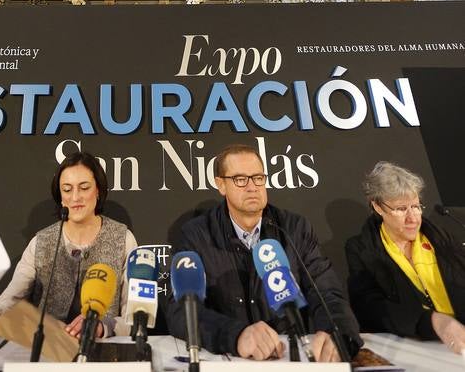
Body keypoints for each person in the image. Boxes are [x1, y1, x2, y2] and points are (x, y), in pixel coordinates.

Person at [166, 143, 361, 362]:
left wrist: (336, 333)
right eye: (240, 179)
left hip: (288, 355)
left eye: (258, 177)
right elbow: (180, 311)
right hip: (231, 359)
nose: (252, 187)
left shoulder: (294, 228)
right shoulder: (197, 234)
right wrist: (236, 335)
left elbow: (327, 292)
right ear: (221, 185)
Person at [0, 151, 137, 345]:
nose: (75, 197)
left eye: (84, 187)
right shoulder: (41, 242)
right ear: (60, 196)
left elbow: (134, 317)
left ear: (99, 191)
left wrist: (103, 326)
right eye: (67, 190)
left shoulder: (123, 239)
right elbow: (5, 307)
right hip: (46, 351)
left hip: (104, 352)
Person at [345, 161, 465, 354]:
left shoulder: (442, 239)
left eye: (416, 206)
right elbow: (369, 308)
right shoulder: (361, 248)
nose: (413, 218)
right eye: (401, 209)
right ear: (378, 207)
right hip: (412, 348)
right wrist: (431, 321)